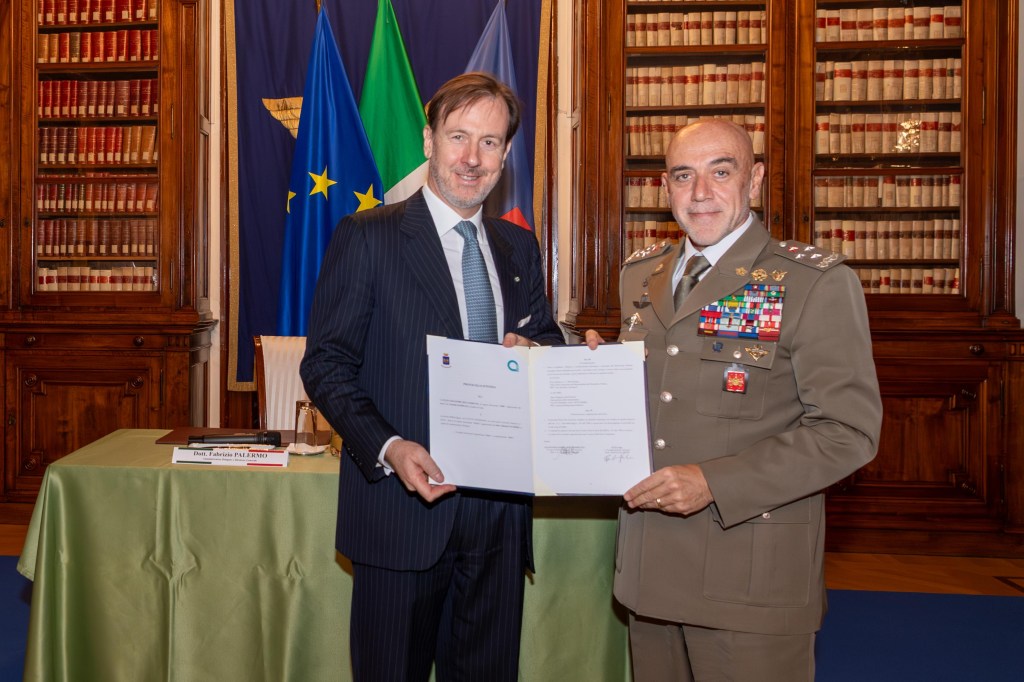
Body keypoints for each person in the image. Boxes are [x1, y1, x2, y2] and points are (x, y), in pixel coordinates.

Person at [585, 118, 883, 681]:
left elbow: (848, 432)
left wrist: (713, 482)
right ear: (665, 187)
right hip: (651, 569)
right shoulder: (641, 275)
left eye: (720, 172)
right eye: (683, 175)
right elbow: (664, 387)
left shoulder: (812, 282)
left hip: (749, 575)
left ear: (754, 179)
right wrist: (576, 369)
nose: (700, 192)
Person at [300, 72, 563, 681]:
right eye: (458, 137)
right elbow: (327, 364)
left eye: (490, 142)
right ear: (428, 140)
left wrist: (542, 353)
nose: (472, 158)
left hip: (498, 522)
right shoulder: (367, 236)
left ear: (505, 154)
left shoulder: (518, 248)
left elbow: (545, 340)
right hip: (402, 515)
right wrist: (390, 446)